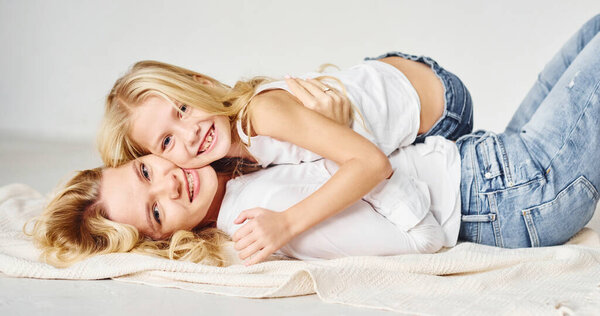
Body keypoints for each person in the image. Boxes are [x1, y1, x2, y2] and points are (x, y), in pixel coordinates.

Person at [34, 14, 600, 267]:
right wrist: (344, 139)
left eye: (146, 171)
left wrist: (341, 130)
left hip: (473, 153)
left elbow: (367, 166)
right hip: (504, 191)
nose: (170, 182)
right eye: (155, 212)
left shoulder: (244, 157)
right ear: (161, 238)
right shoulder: (253, 211)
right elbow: (379, 179)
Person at [98, 50, 473, 264]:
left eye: (182, 108)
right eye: (166, 142)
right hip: (388, 90)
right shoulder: (224, 161)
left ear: (203, 84)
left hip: (439, 107)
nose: (190, 132)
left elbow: (372, 164)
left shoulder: (261, 116)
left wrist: (287, 224)